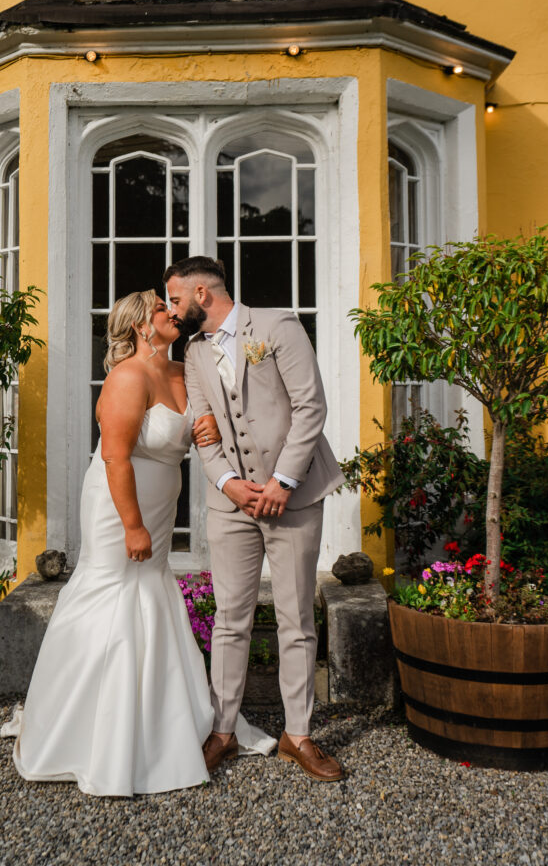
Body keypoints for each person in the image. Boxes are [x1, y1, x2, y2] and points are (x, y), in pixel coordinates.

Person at [1, 290, 271, 796]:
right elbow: (115, 459)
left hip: (162, 502)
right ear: (140, 327)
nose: (172, 312)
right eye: (160, 307)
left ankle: (158, 723)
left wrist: (205, 428)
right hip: (117, 505)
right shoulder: (127, 377)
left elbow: (195, 431)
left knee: (150, 592)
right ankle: (84, 730)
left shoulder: (181, 372)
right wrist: (132, 526)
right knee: (110, 593)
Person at [164, 256, 346, 782]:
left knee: (295, 620)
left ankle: (299, 734)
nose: (172, 311)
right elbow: (205, 428)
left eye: (175, 299)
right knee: (229, 620)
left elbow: (311, 406)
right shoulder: (193, 352)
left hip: (296, 495)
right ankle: (223, 731)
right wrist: (228, 483)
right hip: (231, 506)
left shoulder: (275, 326)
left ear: (202, 293)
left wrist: (281, 483)